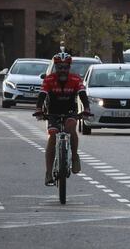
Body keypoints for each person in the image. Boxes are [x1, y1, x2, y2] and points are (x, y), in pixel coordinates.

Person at [33, 52, 91, 186]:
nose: (62, 70)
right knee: (52, 136)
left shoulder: (76, 79)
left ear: (69, 67)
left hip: (70, 112)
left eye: (65, 67)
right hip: (53, 112)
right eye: (60, 68)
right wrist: (38, 110)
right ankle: (48, 173)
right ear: (55, 68)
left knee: (71, 128)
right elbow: (42, 95)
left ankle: (75, 156)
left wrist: (86, 109)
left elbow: (82, 95)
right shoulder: (49, 80)